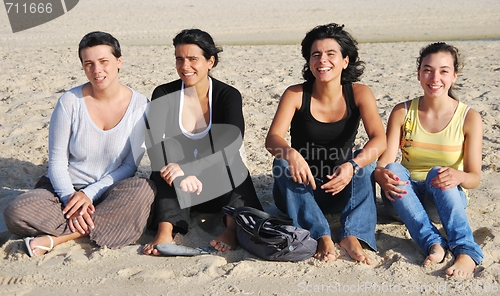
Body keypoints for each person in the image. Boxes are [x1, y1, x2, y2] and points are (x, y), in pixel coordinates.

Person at [3, 31, 156, 256]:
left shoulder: (142, 106)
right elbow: (56, 162)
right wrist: (70, 200)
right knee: (15, 211)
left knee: (144, 190)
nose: (97, 70)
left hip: (110, 191)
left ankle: (59, 238)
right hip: (63, 191)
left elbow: (129, 166)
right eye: (89, 64)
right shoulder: (69, 102)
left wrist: (90, 194)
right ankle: (99, 226)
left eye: (104, 61)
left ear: (119, 61)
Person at [265, 23, 386, 263]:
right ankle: (321, 235)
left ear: (345, 60)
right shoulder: (296, 94)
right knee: (281, 163)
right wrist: (291, 154)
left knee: (366, 162)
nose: (323, 60)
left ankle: (352, 234)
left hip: (342, 189)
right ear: (309, 61)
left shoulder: (360, 93)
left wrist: (352, 165)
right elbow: (272, 139)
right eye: (316, 55)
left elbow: (380, 140)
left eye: (331, 54)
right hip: (300, 192)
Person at [142, 28, 262, 256]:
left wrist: (191, 169)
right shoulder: (164, 93)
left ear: (210, 61)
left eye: (193, 59)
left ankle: (232, 229)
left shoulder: (228, 95)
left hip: (217, 185)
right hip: (178, 188)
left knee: (230, 157)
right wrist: (180, 173)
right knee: (167, 151)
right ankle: (165, 230)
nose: (185, 66)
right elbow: (153, 141)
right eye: (179, 59)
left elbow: (233, 140)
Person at [374, 42, 484, 278]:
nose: (435, 77)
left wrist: (459, 175)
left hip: (443, 199)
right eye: (428, 70)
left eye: (444, 71)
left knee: (438, 172)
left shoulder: (469, 117)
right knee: (394, 168)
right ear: (418, 74)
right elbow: (384, 163)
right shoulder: (402, 112)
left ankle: (466, 251)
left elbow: (474, 178)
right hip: (403, 199)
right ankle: (433, 242)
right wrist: (380, 173)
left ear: (454, 76)